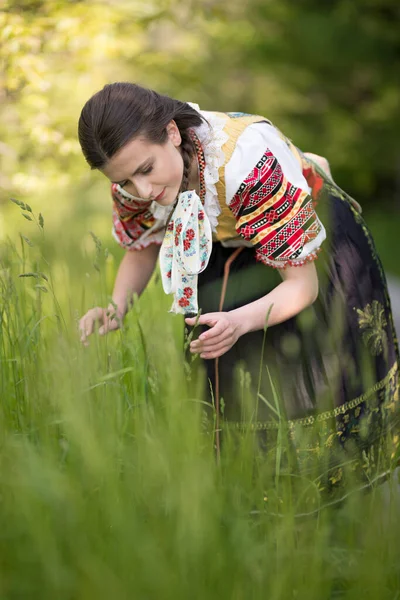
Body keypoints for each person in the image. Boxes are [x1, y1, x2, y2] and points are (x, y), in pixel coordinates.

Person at [78, 82, 400, 489]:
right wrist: (116, 307)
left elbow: (302, 287)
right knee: (229, 381)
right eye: (125, 181)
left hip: (302, 248)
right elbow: (144, 247)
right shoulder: (136, 178)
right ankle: (251, 501)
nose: (143, 191)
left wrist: (240, 321)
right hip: (225, 243)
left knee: (313, 374)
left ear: (173, 133)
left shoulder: (247, 159)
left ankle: (339, 502)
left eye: (146, 170)